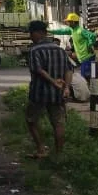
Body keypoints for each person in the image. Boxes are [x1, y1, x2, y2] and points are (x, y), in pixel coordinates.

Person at [26, 20, 71, 158]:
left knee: (31, 120)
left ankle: (41, 149)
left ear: (40, 33)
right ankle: (59, 155)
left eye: (31, 33)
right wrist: (66, 88)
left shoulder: (34, 50)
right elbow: (69, 70)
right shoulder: (60, 50)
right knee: (58, 124)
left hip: (39, 93)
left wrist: (53, 82)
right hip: (57, 94)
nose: (30, 36)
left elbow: (39, 70)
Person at [52, 12, 98, 87]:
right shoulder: (72, 30)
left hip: (87, 57)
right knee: (90, 77)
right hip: (84, 58)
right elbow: (62, 31)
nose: (67, 23)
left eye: (69, 22)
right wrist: (50, 31)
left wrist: (90, 45)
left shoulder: (80, 30)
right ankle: (92, 93)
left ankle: (90, 93)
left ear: (73, 22)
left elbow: (92, 36)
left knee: (87, 77)